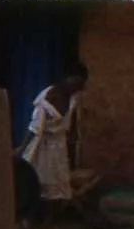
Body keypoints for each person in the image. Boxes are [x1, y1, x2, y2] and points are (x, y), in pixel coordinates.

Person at [21, 63, 90, 205]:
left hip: (59, 146)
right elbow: (34, 128)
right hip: (41, 147)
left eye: (79, 84)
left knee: (60, 186)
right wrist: (21, 149)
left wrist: (72, 140)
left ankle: (49, 222)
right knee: (37, 184)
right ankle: (31, 221)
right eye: (74, 82)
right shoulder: (47, 98)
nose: (75, 87)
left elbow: (72, 122)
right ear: (65, 78)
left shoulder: (74, 97)